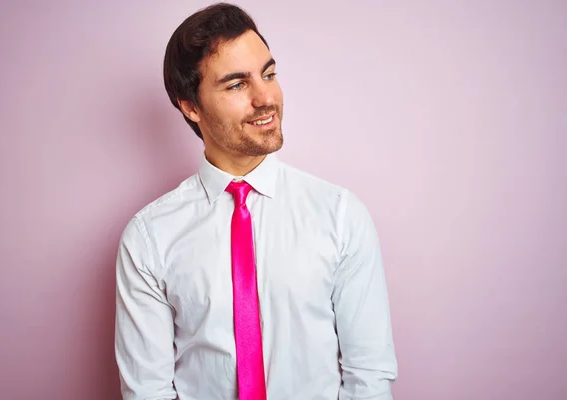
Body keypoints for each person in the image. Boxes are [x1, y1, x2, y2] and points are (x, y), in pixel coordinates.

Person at [114, 3, 398, 399]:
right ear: (190, 106)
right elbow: (147, 391)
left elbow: (369, 375)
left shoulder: (340, 216)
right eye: (237, 84)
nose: (266, 98)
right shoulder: (149, 238)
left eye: (268, 74)